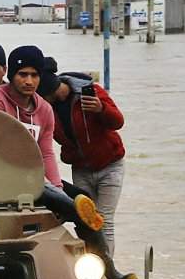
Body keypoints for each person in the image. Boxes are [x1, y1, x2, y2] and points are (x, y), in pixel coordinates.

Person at [0, 46, 123, 273]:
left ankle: (105, 268)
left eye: (34, 75)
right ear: (11, 76)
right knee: (71, 205)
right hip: (1, 176)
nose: (29, 81)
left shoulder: (45, 109)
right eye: (22, 74)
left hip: (35, 178)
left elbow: (46, 152)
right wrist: (56, 195)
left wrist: (58, 188)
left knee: (84, 203)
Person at [46, 66, 127, 254]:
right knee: (87, 218)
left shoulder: (90, 91)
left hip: (111, 165)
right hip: (81, 168)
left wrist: (101, 109)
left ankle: (107, 269)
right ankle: (90, 266)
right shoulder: (46, 108)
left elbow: (118, 122)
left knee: (104, 219)